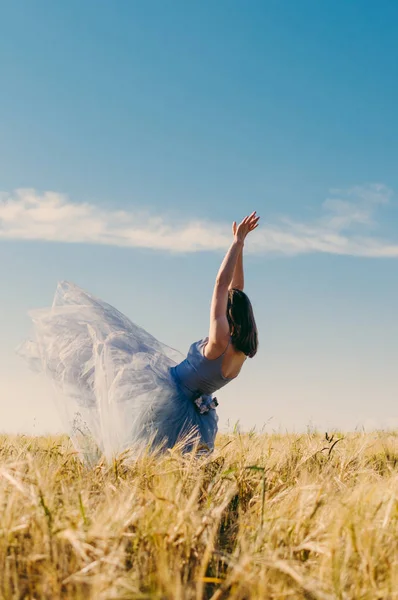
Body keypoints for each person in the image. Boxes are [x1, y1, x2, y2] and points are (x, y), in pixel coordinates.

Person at [18, 212, 259, 461]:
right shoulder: (240, 353)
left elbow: (222, 284)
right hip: (194, 414)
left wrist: (237, 243)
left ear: (230, 315)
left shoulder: (219, 339)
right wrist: (240, 248)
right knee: (166, 462)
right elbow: (235, 290)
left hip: (167, 397)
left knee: (105, 345)